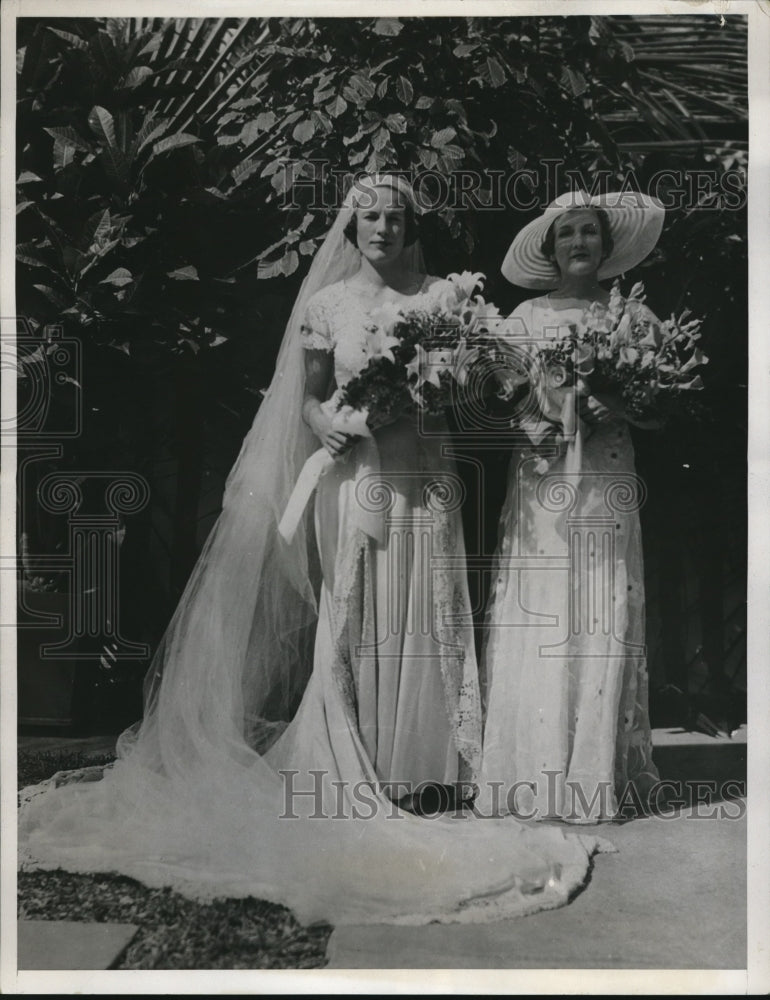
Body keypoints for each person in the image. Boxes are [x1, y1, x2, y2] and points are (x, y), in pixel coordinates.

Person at [19, 175, 607, 927]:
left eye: (396, 217)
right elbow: (310, 393)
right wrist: (326, 423)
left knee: (426, 611)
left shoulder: (442, 297)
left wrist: (442, 388)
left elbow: (472, 391)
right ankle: (355, 761)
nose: (384, 228)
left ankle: (423, 767)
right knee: (361, 611)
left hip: (428, 471)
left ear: (409, 226)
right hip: (359, 475)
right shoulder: (329, 305)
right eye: (371, 218)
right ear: (353, 226)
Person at [478, 190, 663, 823]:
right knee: (545, 599)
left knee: (600, 597)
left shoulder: (632, 318)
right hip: (544, 476)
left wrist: (627, 406)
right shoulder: (526, 317)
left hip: (608, 472)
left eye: (590, 233)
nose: (579, 243)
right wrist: (533, 421)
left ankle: (592, 772)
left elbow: (661, 410)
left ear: (606, 246)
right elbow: (497, 400)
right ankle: (532, 767)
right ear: (550, 248)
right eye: (567, 235)